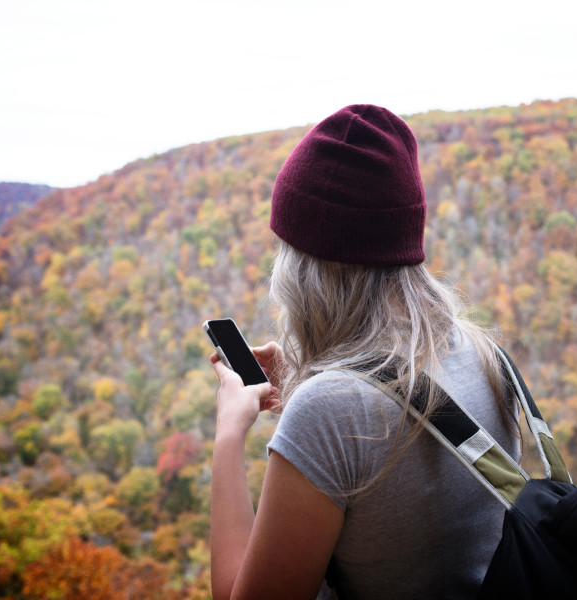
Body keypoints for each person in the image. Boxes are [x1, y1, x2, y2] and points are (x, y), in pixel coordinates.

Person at [209, 104, 521, 600]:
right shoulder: (483, 356)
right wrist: (309, 380)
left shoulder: (329, 413)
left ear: (303, 271)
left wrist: (229, 431)